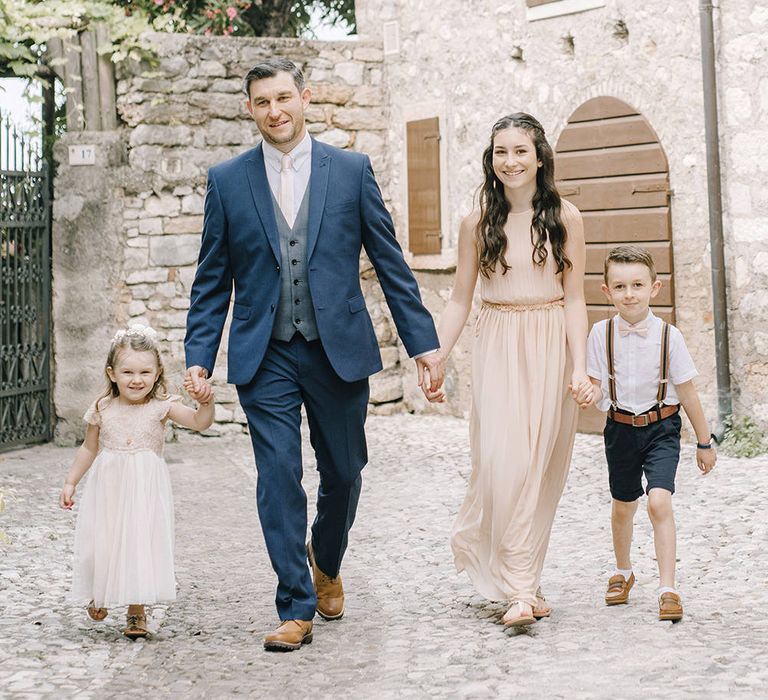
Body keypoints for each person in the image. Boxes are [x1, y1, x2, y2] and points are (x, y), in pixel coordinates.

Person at [184, 57, 443, 652]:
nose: (274, 111)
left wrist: (423, 344)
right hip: (265, 352)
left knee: (346, 473)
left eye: (283, 98)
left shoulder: (351, 171)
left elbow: (390, 261)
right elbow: (211, 278)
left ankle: (326, 559)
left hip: (338, 351)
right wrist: (199, 355)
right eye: (261, 102)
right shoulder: (227, 180)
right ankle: (295, 604)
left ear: (305, 98)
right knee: (278, 477)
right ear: (249, 108)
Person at [426, 113, 589, 627]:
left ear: (540, 156)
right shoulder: (477, 221)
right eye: (501, 152)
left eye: (520, 151)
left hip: (548, 343)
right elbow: (459, 298)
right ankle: (521, 583)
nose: (510, 162)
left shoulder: (566, 217)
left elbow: (576, 298)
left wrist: (580, 368)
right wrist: (438, 353)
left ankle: (522, 586)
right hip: (496, 341)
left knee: (540, 467)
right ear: (491, 159)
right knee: (503, 464)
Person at [576, 244, 716, 621]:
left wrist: (704, 442)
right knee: (623, 505)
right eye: (619, 287)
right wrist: (589, 392)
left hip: (661, 427)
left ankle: (668, 587)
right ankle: (623, 570)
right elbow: (597, 385)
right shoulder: (599, 334)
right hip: (620, 429)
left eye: (637, 285)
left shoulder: (670, 337)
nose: (629, 294)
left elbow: (687, 391)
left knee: (658, 501)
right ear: (607, 292)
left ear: (655, 287)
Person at [59, 324, 214, 639]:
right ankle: (99, 594)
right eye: (128, 372)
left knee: (139, 544)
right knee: (104, 540)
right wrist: (71, 481)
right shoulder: (103, 407)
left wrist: (206, 402)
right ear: (112, 373)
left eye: (145, 372)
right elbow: (89, 447)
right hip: (109, 487)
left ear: (157, 373)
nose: (136, 379)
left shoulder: (162, 407)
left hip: (145, 489)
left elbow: (200, 422)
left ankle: (136, 612)